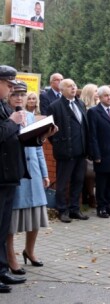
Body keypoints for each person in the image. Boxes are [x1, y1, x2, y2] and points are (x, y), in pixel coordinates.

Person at [0, 65, 56, 293]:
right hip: (2, 175)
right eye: (9, 85)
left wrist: (41, 136)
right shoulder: (7, 111)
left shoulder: (4, 107)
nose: (12, 89)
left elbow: (17, 139)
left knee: (3, 228)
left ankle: (2, 270)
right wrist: (13, 121)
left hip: (10, 175)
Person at [5, 81, 49, 275]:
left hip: (33, 170)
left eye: (22, 95)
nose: (19, 98)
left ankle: (29, 251)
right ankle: (10, 256)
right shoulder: (7, 116)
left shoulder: (31, 116)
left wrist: (45, 173)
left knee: (36, 214)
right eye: (15, 94)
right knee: (12, 219)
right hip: (15, 171)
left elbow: (38, 148)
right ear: (8, 96)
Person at [48, 79, 90, 223]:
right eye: (69, 86)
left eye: (74, 85)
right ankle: (62, 210)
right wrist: (60, 145)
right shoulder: (55, 106)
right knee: (63, 182)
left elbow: (84, 126)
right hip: (65, 152)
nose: (73, 88)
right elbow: (50, 132)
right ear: (61, 89)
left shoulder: (80, 103)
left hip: (81, 151)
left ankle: (74, 209)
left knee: (78, 181)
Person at [87, 86, 110, 219]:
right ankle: (101, 207)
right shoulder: (94, 112)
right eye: (106, 95)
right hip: (102, 153)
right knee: (101, 183)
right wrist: (96, 154)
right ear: (99, 97)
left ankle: (109, 206)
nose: (109, 98)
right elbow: (92, 135)